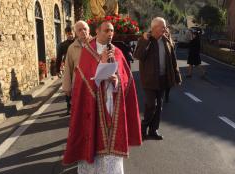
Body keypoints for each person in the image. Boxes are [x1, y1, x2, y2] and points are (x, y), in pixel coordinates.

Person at [63, 21, 142, 173]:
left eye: (112, 31)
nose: (109, 34)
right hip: (92, 106)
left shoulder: (118, 52)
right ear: (97, 32)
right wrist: (102, 64)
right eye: (106, 30)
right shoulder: (87, 52)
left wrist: (117, 81)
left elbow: (127, 80)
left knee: (112, 145)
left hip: (112, 104)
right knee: (93, 138)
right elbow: (82, 80)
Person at [134, 17, 182, 140]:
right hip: (149, 79)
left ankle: (153, 130)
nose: (165, 28)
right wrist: (145, 41)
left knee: (159, 106)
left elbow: (173, 60)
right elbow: (138, 55)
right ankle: (143, 128)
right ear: (154, 28)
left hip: (163, 78)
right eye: (162, 26)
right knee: (151, 105)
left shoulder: (166, 40)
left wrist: (176, 76)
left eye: (165, 26)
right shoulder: (145, 39)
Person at [62, 21, 91, 115]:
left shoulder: (97, 44)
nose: (83, 31)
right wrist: (67, 86)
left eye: (85, 29)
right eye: (79, 30)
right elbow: (68, 68)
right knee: (80, 114)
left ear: (89, 30)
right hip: (78, 86)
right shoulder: (71, 48)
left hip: (94, 85)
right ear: (76, 33)